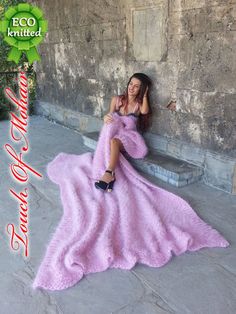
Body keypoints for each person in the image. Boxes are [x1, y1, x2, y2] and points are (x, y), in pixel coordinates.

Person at [95, 72, 152, 192]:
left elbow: (145, 111)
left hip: (129, 137)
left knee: (114, 142)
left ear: (141, 89)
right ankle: (110, 175)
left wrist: (145, 94)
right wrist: (105, 117)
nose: (132, 87)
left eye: (136, 86)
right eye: (131, 84)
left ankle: (109, 173)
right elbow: (110, 116)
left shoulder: (139, 104)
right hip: (114, 133)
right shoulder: (116, 100)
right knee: (110, 127)